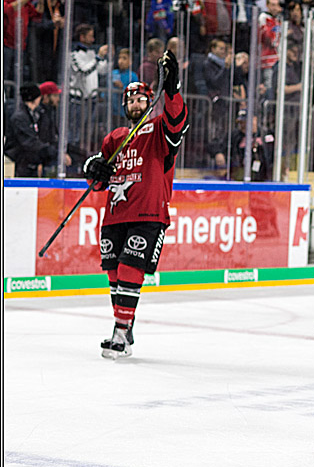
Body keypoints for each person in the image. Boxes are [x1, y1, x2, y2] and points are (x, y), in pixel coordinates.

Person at [82, 51, 189, 359]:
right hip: (115, 215)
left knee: (131, 269)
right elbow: (99, 179)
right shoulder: (114, 138)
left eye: (141, 99)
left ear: (149, 101)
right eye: (130, 101)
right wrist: (94, 170)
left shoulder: (158, 129)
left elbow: (177, 122)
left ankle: (118, 331)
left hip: (148, 213)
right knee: (114, 274)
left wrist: (172, 91)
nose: (135, 104)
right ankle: (125, 329)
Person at [4, 83, 58, 177]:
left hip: (29, 161)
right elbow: (28, 142)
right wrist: (49, 151)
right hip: (20, 161)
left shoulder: (35, 114)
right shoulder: (20, 117)